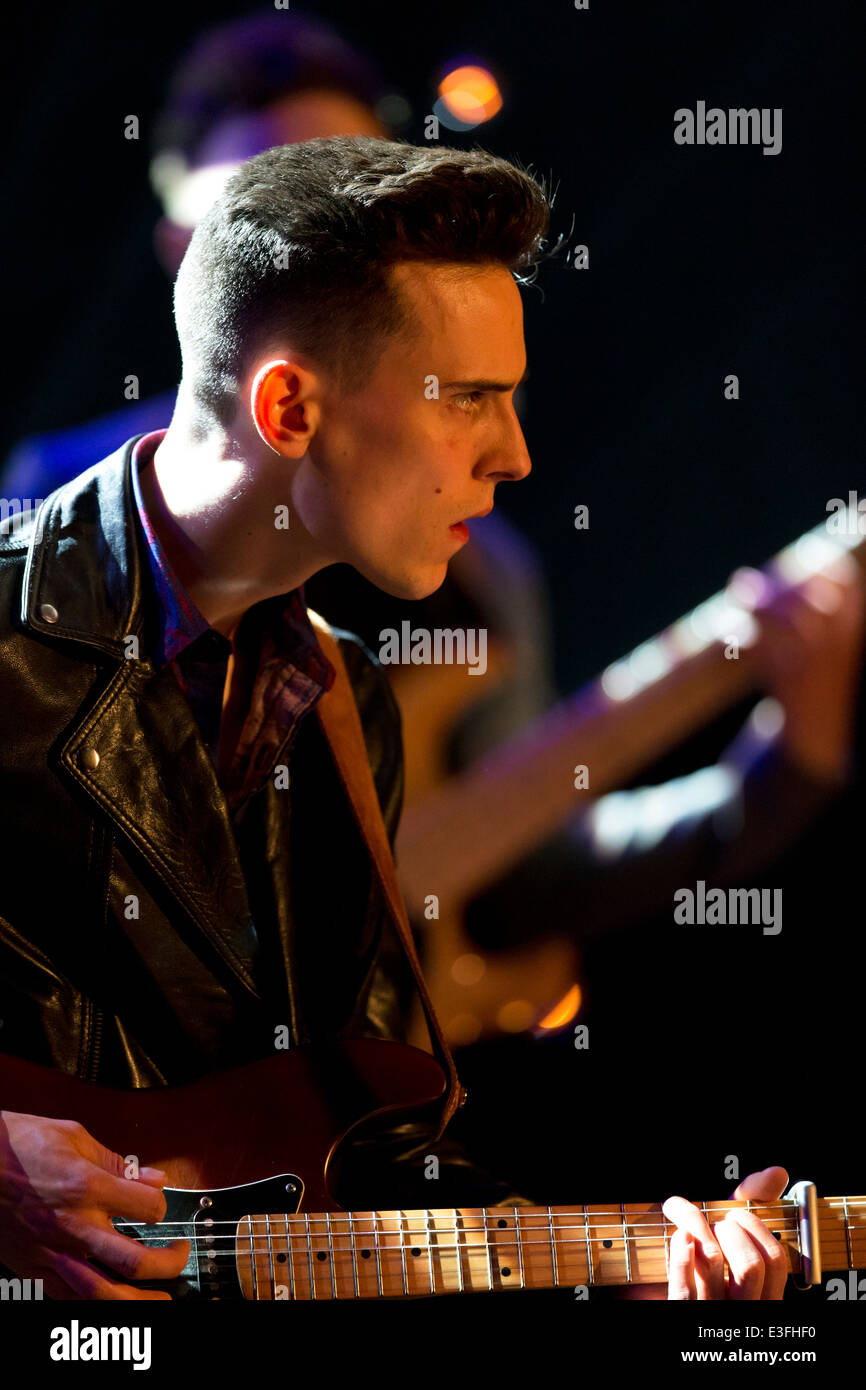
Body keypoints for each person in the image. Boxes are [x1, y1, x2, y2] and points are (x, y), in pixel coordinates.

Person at [0, 137, 819, 1302]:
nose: (516, 454)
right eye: (471, 401)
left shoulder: (339, 700)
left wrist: (635, 1265)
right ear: (288, 404)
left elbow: (381, 1168)